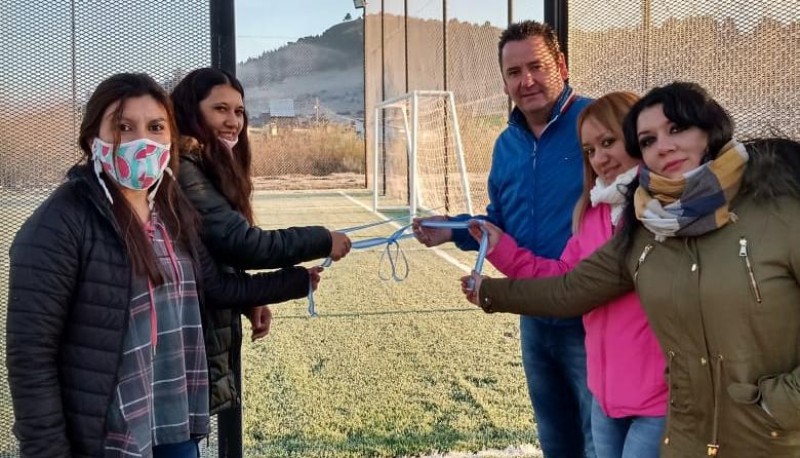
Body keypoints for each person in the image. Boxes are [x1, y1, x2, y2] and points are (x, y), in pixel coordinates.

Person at [465, 81, 800, 457]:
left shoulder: (777, 208)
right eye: (648, 140)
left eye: (677, 129)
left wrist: (782, 403)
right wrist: (491, 287)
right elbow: (570, 287)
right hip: (677, 428)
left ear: (709, 130)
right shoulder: (646, 228)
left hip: (758, 433)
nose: (664, 146)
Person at [5, 73, 320, 458]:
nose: (142, 140)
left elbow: (215, 288)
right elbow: (31, 355)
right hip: (109, 436)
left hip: (173, 420)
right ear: (93, 139)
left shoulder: (171, 208)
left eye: (155, 127)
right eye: (123, 126)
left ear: (170, 136)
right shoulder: (61, 221)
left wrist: (297, 281)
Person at [413, 20, 595, 457]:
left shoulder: (595, 124)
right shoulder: (506, 145)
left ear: (562, 65)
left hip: (591, 317)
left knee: (600, 441)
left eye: (537, 66)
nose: (526, 80)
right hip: (532, 313)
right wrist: (453, 230)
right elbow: (500, 222)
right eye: (514, 72)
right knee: (556, 439)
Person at [466, 92, 666, 458]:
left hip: (658, 404)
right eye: (590, 150)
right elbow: (560, 275)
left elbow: (571, 291)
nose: (600, 158)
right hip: (607, 400)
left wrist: (493, 293)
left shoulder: (661, 213)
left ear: (638, 138)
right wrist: (500, 247)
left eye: (608, 142)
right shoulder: (591, 215)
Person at [169, 67, 351, 450]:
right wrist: (322, 239)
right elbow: (243, 244)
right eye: (220, 109)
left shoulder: (204, 166)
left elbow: (212, 258)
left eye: (238, 111)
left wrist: (253, 298)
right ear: (190, 110)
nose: (232, 121)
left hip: (198, 345)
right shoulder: (185, 171)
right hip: (179, 354)